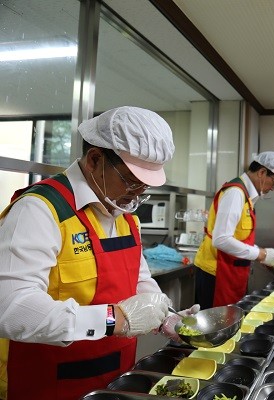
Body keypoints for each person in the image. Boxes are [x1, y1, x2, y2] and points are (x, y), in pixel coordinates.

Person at [0, 106, 197, 400]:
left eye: (145, 186)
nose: (136, 193)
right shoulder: (40, 209)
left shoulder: (126, 216)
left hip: (117, 378)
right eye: (131, 180)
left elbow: (140, 279)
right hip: (49, 383)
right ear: (95, 159)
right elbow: (10, 308)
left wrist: (163, 313)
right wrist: (114, 318)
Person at [194, 151, 274, 309]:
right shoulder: (235, 194)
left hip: (231, 273)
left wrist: (261, 253)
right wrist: (260, 254)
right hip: (216, 275)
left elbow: (238, 237)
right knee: (217, 327)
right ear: (261, 172)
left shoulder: (248, 196)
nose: (273, 188)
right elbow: (221, 239)